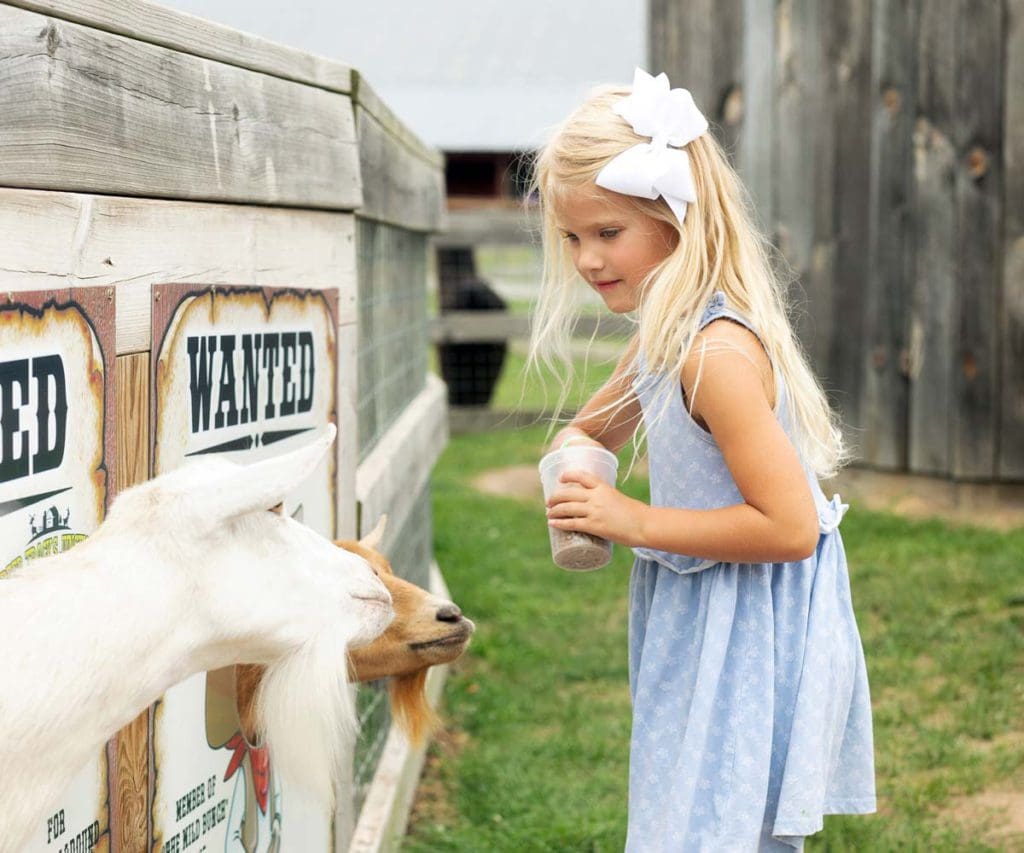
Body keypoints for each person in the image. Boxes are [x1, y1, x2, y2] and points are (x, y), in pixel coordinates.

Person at [530, 69, 876, 851]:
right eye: (572, 237)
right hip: (699, 608)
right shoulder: (664, 336)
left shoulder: (712, 354)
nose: (587, 259)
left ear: (676, 216)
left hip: (745, 619)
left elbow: (789, 527)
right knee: (687, 811)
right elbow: (589, 430)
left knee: (715, 824)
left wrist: (631, 517)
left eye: (607, 233)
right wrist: (573, 461)